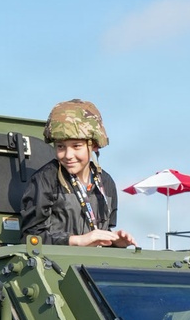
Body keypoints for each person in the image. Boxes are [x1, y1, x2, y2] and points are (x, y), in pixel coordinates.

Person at [20, 100, 136, 248]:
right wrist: (77, 240)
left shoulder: (106, 182)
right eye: (60, 146)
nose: (68, 155)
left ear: (93, 145)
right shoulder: (45, 180)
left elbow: (101, 234)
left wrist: (115, 242)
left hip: (91, 267)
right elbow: (29, 237)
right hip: (53, 265)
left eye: (76, 146)